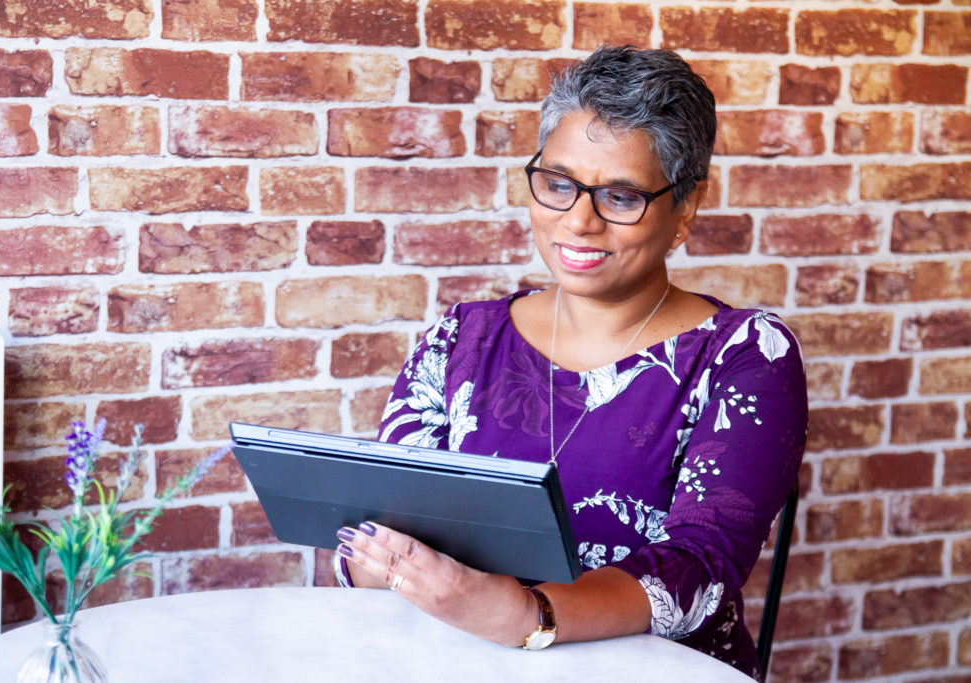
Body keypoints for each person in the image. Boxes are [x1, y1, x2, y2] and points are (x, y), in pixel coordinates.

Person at [332, 45, 807, 680]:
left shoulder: (745, 356)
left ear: (684, 210)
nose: (578, 221)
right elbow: (391, 520)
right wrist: (378, 559)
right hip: (457, 663)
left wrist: (525, 616)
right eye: (558, 183)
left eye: (621, 196)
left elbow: (701, 565)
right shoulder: (462, 337)